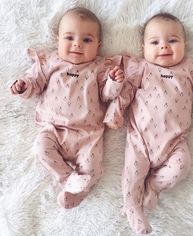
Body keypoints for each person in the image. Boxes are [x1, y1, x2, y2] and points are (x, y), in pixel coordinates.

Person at [104, 12, 193, 234]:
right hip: (140, 138)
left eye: (172, 41)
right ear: (143, 48)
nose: (164, 47)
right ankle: (132, 207)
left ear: (184, 44)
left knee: (182, 166)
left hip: (174, 141)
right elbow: (125, 93)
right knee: (131, 175)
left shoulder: (191, 69)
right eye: (155, 42)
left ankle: (153, 186)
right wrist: (115, 114)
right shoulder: (141, 69)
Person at [10, 7, 124, 209]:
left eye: (87, 40)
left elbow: (107, 96)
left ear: (99, 45)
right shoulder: (51, 61)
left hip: (87, 135)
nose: (77, 44)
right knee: (41, 148)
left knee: (94, 169)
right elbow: (34, 83)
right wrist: (24, 86)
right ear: (58, 39)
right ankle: (68, 179)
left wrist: (114, 83)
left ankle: (78, 192)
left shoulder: (99, 68)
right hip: (54, 129)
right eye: (70, 37)